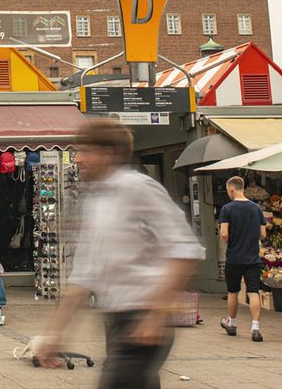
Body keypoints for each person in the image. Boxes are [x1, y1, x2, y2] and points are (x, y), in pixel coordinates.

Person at [37, 119, 203, 388]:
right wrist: (55, 334)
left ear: (108, 154)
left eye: (85, 151)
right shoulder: (97, 201)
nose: (78, 159)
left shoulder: (140, 189)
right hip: (116, 322)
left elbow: (184, 250)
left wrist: (156, 315)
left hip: (143, 320)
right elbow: (82, 278)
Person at [218, 175, 266, 341]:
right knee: (253, 292)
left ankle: (231, 323)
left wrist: (230, 239)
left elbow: (224, 233)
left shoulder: (227, 209)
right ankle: (255, 328)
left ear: (232, 189)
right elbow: (263, 233)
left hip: (234, 256)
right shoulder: (256, 208)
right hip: (253, 257)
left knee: (233, 291)